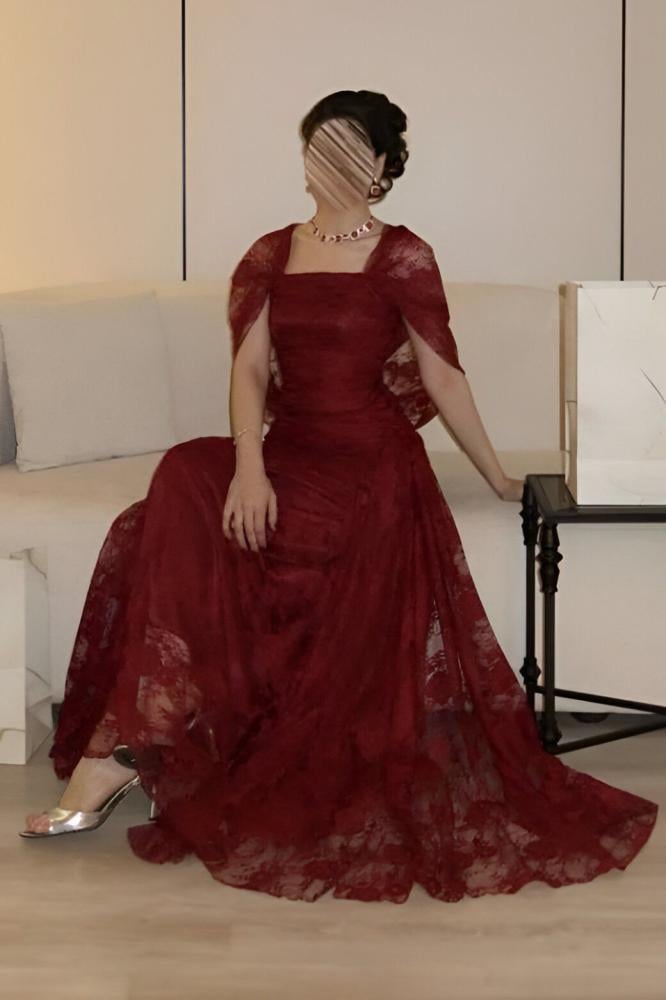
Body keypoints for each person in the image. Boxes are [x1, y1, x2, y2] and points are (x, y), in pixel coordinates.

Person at [20, 90, 658, 903]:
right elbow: (250, 370)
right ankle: (139, 743)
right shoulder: (269, 252)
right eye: (320, 145)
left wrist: (498, 476)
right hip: (287, 451)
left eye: (352, 148)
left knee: (174, 525)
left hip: (369, 466)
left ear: (383, 165)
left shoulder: (403, 255)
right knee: (181, 478)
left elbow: (443, 377)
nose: (332, 162)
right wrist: (249, 466)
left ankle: (126, 752)